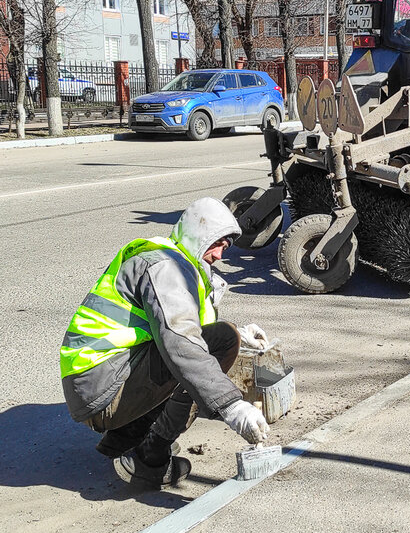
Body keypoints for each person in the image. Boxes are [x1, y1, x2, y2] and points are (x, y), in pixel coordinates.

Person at [60, 197, 272, 488]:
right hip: (101, 389)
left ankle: (124, 437)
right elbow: (182, 343)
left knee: (222, 338)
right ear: (200, 234)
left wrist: (242, 332)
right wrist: (232, 406)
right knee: (217, 345)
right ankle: (150, 456)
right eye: (218, 243)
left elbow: (184, 324)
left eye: (226, 247)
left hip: (96, 381)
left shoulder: (174, 260)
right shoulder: (166, 268)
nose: (220, 255)